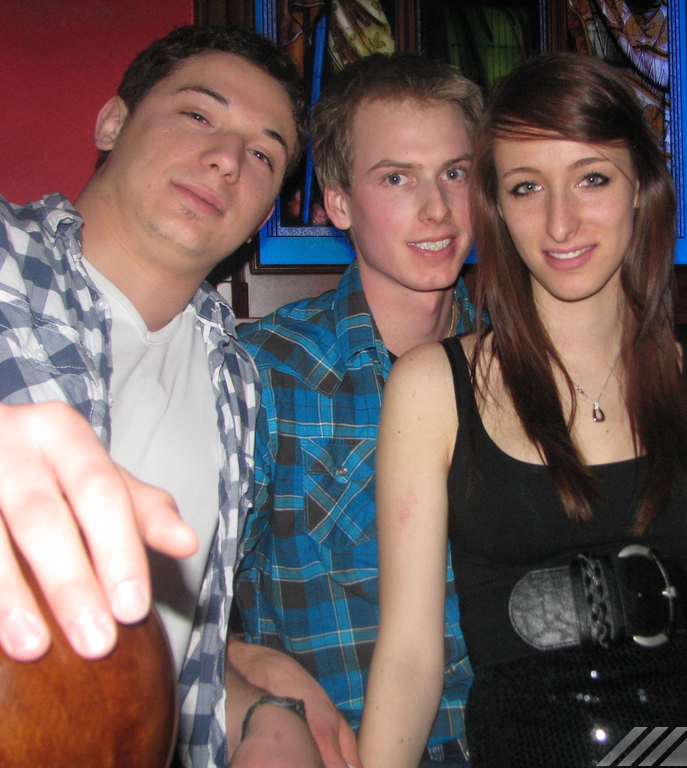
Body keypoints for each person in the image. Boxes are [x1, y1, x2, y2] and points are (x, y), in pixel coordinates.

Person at [358, 53, 687, 768]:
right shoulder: (432, 388)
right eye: (527, 187)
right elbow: (410, 658)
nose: (561, 221)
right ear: (497, 209)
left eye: (592, 178)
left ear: (642, 191)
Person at [0, 24, 343, 768]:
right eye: (198, 114)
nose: (227, 159)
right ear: (112, 123)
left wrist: (262, 713)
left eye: (263, 154)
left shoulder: (235, 381)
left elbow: (178, 652)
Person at [234, 53, 481, 764]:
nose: (437, 209)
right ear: (339, 203)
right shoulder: (268, 372)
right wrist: (246, 662)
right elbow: (179, 610)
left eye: (455, 173)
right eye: (396, 178)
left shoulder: (521, 362)